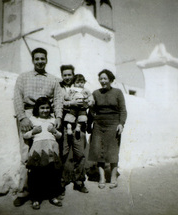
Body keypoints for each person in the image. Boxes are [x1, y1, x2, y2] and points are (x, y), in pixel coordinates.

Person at [13, 47, 63, 206]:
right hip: (28, 117)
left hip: (47, 117)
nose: (40, 61)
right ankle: (24, 192)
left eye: (43, 58)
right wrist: (22, 118)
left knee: (49, 157)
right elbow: (17, 98)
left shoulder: (54, 80)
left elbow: (58, 100)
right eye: (37, 59)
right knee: (26, 156)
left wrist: (58, 117)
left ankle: (49, 192)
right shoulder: (23, 77)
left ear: (46, 60)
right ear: (33, 60)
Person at [88, 69, 127, 189]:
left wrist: (121, 124)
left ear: (110, 80)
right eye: (101, 79)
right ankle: (102, 178)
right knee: (99, 151)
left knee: (113, 152)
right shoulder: (95, 93)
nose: (103, 81)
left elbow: (122, 110)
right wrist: (89, 125)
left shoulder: (118, 92)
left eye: (105, 78)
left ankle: (113, 177)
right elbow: (92, 111)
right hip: (99, 125)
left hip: (113, 125)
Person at [23, 97, 63, 209]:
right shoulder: (33, 119)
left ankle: (52, 196)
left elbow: (59, 136)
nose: (45, 110)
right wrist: (33, 132)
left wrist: (54, 131)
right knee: (36, 173)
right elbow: (25, 135)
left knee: (52, 173)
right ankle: (36, 198)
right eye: (42, 108)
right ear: (37, 108)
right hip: (38, 148)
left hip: (51, 148)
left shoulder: (53, 119)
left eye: (47, 108)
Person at [59, 65, 89, 194]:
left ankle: (79, 181)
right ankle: (62, 180)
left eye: (69, 75)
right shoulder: (59, 87)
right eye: (64, 75)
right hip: (66, 122)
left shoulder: (81, 87)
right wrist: (71, 103)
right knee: (64, 152)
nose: (67, 77)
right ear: (62, 76)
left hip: (79, 123)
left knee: (79, 152)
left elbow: (88, 101)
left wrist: (86, 102)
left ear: (73, 75)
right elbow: (57, 102)